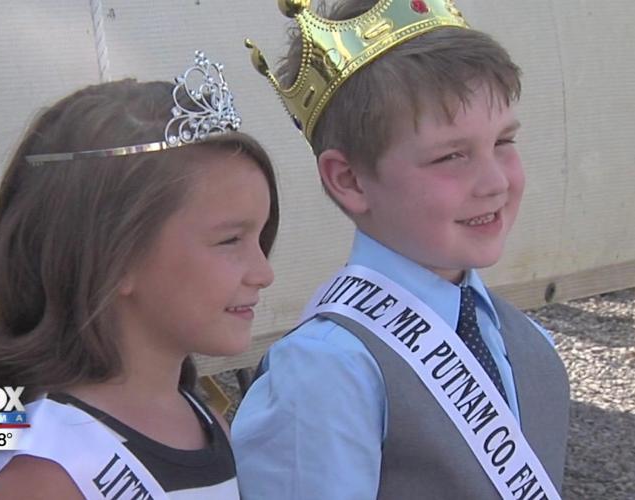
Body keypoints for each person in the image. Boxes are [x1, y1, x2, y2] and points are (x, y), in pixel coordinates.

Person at [233, 1, 569, 498]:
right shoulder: (326, 372)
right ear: (350, 180)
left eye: (504, 142)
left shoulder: (527, 340)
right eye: (451, 156)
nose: (495, 182)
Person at [0, 51, 279, 499]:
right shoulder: (46, 475)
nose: (264, 272)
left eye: (260, 237)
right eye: (230, 240)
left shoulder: (206, 423)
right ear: (115, 256)